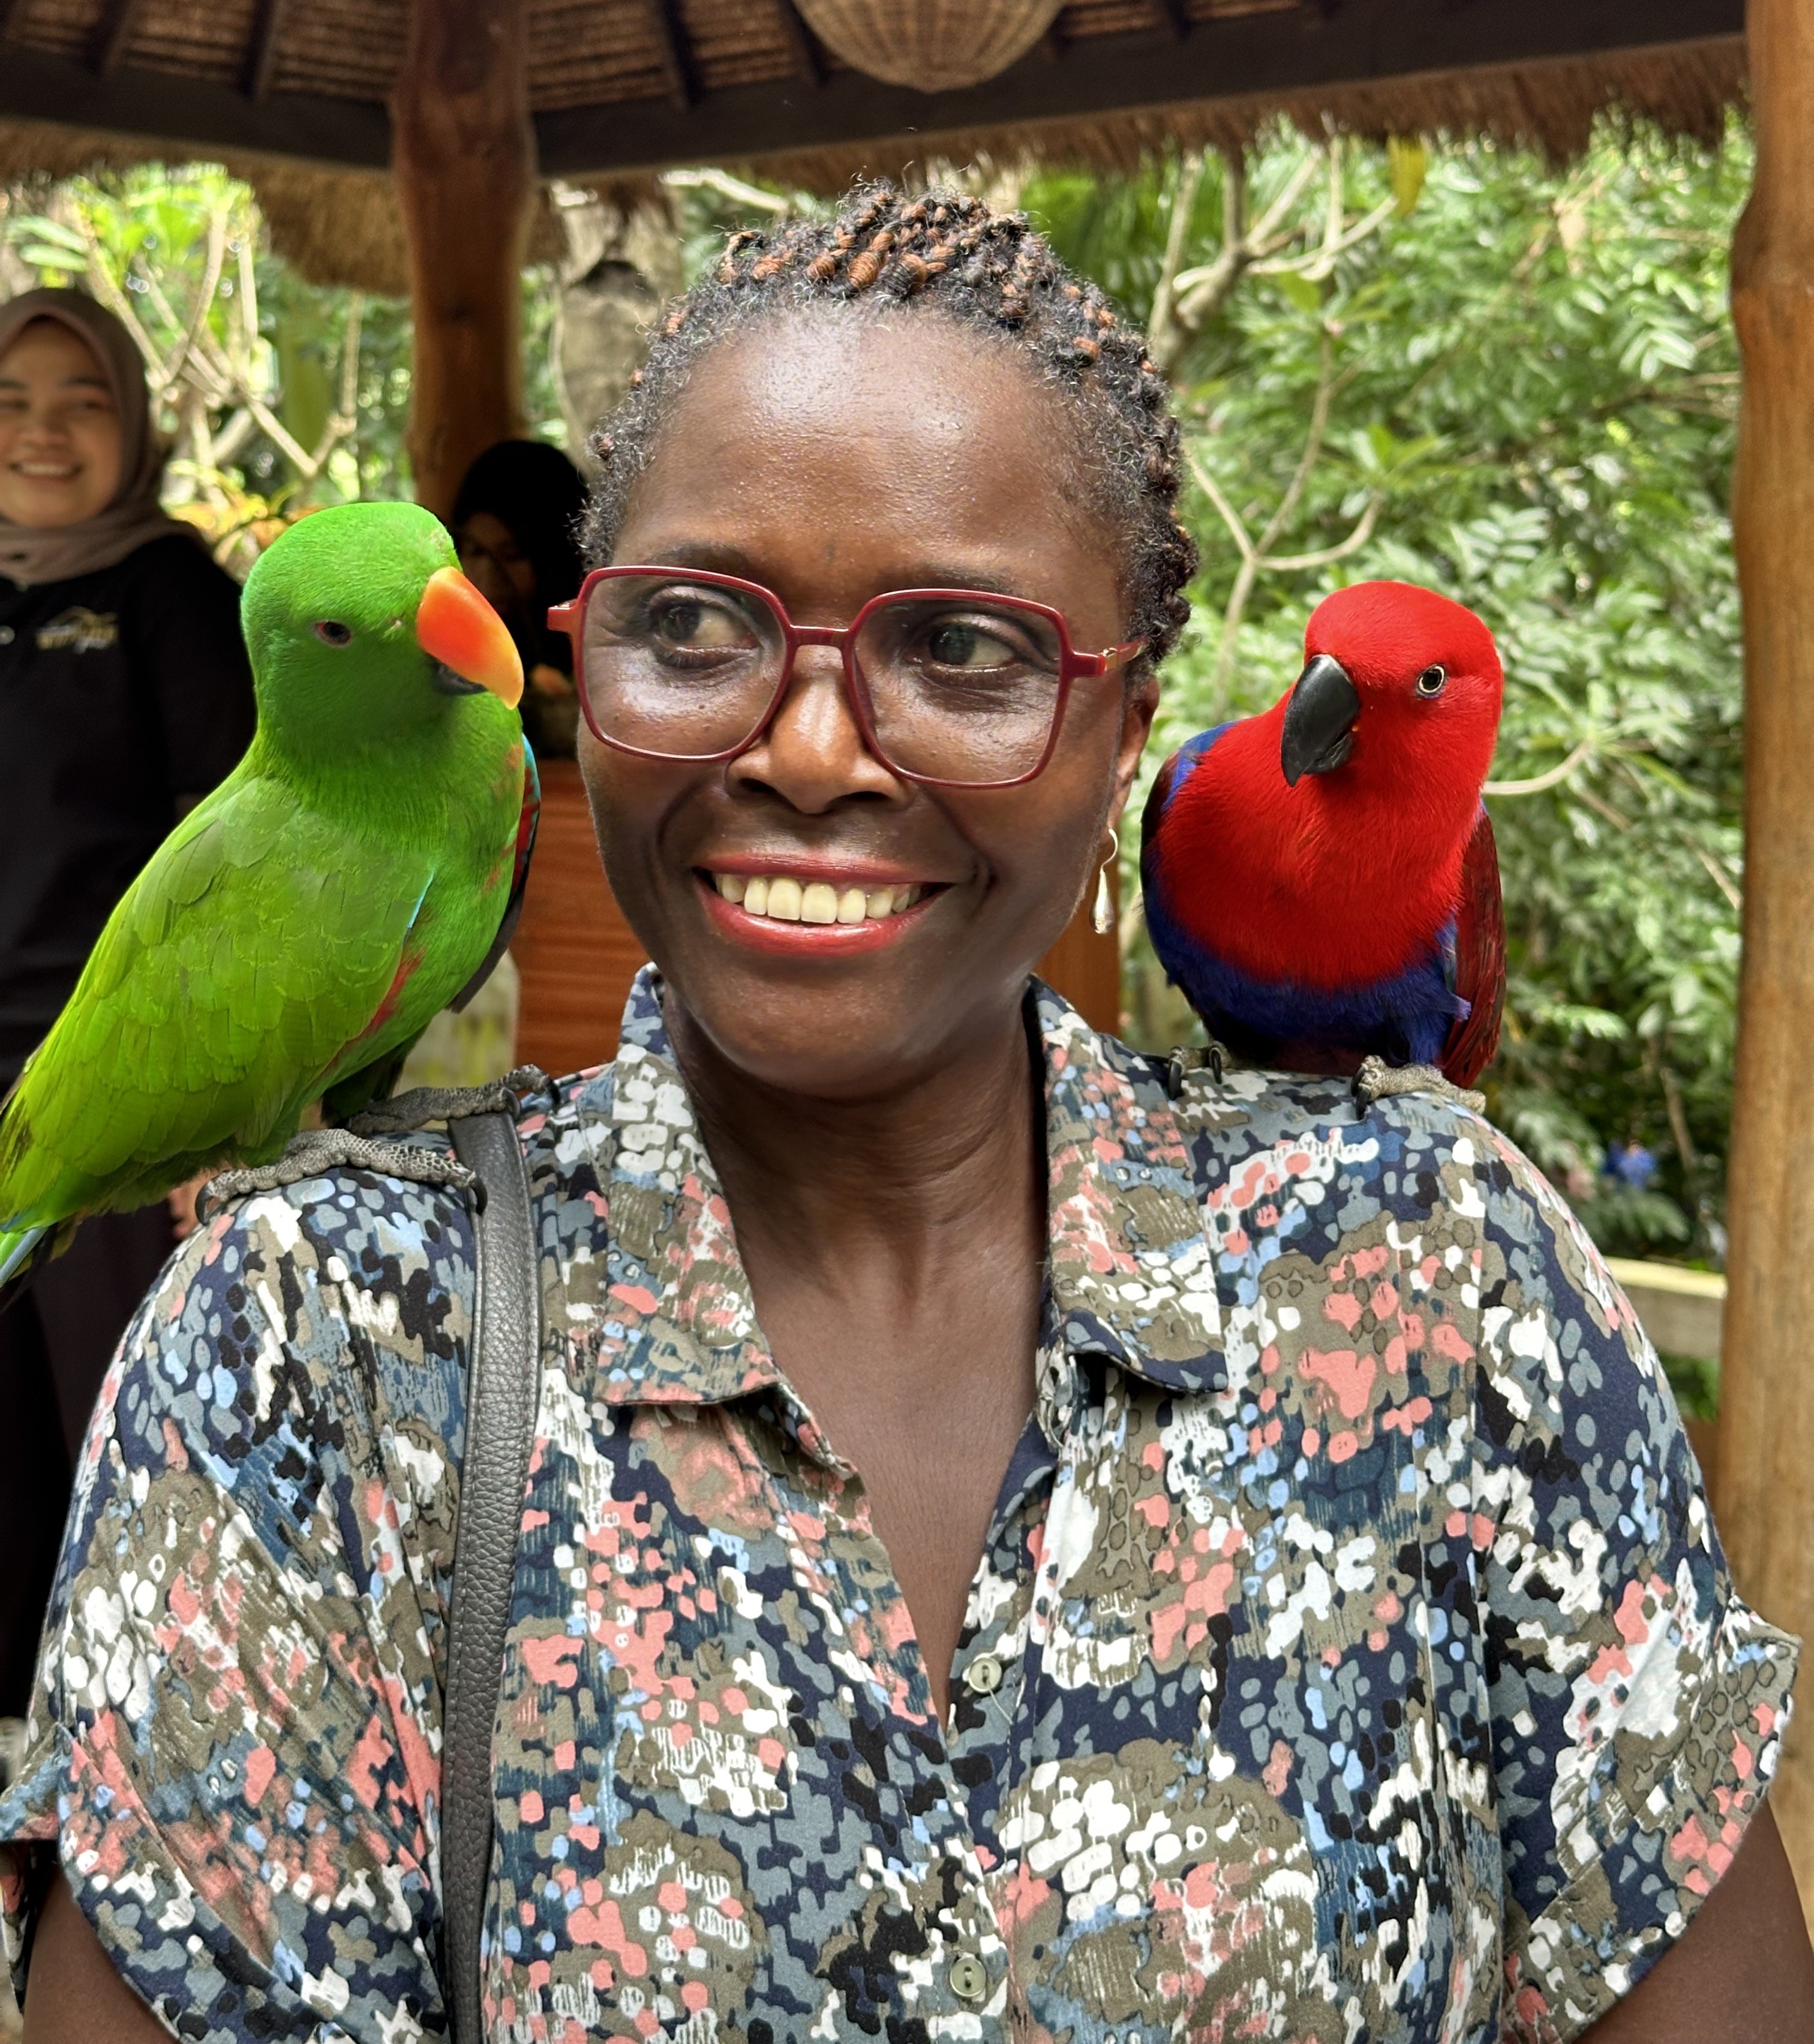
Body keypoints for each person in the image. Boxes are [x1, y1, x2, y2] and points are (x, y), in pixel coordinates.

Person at [3, 187, 1809, 2043]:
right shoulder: (310, 1338)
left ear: (1131, 733)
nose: (806, 748)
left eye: (960, 650)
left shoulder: (1435, 1273)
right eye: (691, 626)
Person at [0, 288, 253, 1733]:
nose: (43, 432)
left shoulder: (172, 596)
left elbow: (228, 863)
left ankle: (135, 1746)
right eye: (13, 400)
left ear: (136, 423)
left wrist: (208, 1117)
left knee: (120, 1417)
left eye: (82, 400)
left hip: (109, 1087)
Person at [452, 437, 587, 755]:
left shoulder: (592, 646)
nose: (487, 578)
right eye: (474, 552)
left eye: (511, 555)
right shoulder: (448, 649)